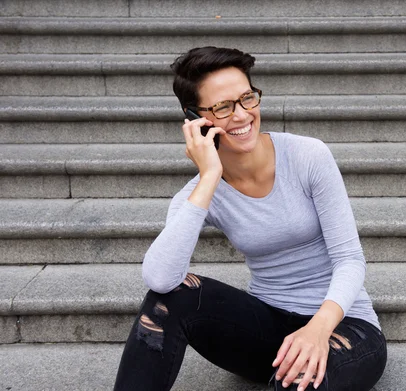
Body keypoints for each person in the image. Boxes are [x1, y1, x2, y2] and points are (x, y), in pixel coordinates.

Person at [114, 46, 387, 391]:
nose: (242, 115)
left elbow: (350, 259)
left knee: (299, 384)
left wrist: (317, 329)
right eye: (223, 107)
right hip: (268, 333)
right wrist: (210, 175)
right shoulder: (200, 190)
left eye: (247, 98)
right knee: (171, 297)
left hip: (343, 326)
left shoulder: (307, 156)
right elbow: (160, 278)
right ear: (195, 118)